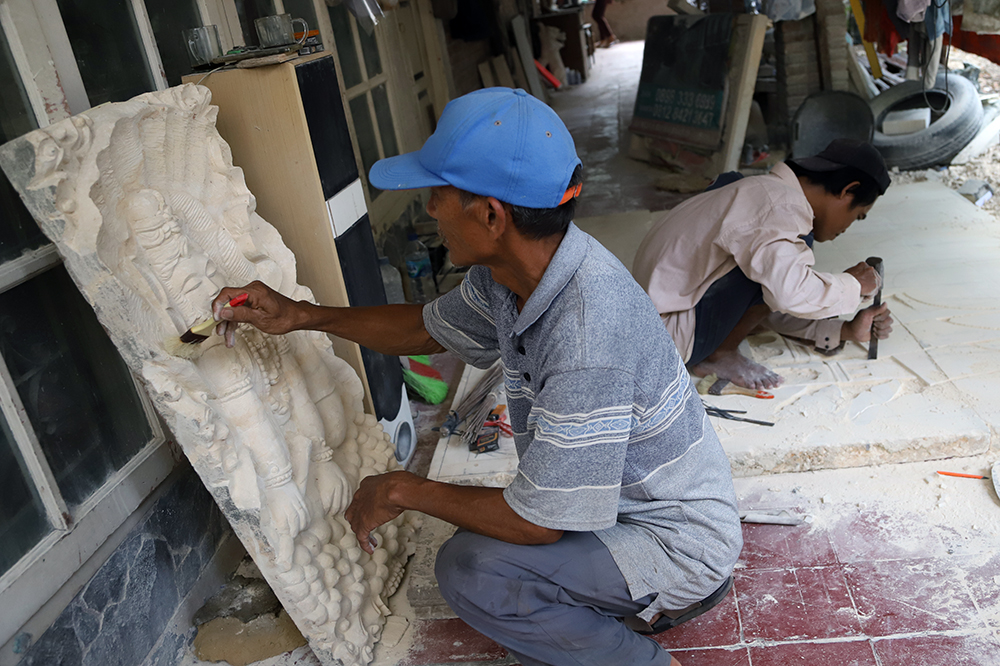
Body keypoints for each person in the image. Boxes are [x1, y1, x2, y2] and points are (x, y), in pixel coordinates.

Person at [211, 88, 742, 666]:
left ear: (491, 215)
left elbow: (539, 525)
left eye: (439, 195)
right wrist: (301, 316)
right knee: (480, 546)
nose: (430, 210)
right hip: (615, 509)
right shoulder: (517, 273)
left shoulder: (588, 332)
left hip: (674, 542)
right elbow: (425, 329)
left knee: (476, 571)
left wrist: (400, 488)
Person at [632, 139, 895, 391]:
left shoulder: (758, 191)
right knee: (789, 269)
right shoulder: (779, 206)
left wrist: (844, 330)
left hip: (659, 327)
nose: (848, 227)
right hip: (667, 340)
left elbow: (771, 298)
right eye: (857, 216)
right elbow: (789, 294)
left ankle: (718, 350)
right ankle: (718, 355)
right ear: (848, 190)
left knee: (776, 274)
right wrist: (853, 285)